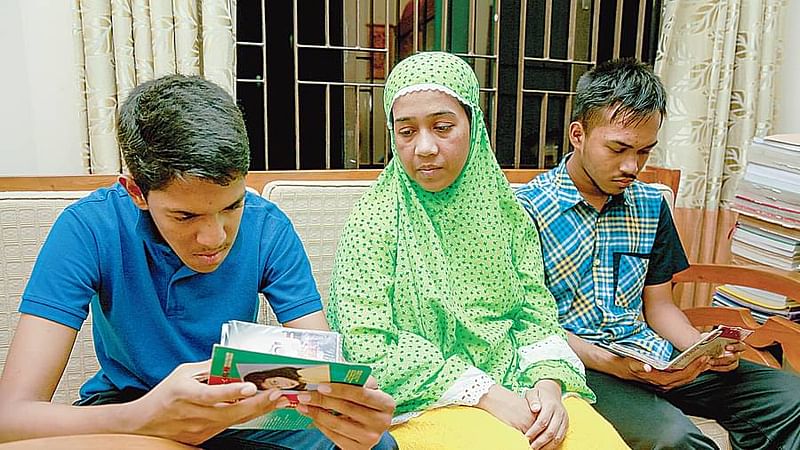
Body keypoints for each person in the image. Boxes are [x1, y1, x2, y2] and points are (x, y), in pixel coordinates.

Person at [0, 75, 397, 450]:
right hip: (130, 407)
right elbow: (11, 418)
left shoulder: (268, 226)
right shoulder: (89, 228)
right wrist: (144, 416)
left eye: (232, 206)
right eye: (185, 217)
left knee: (375, 444)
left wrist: (349, 411)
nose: (215, 238)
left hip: (241, 409)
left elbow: (322, 366)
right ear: (136, 191)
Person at [326, 51, 628, 450]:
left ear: (474, 126)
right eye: (406, 132)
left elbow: (536, 315)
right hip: (422, 399)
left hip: (521, 382)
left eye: (443, 127)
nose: (425, 147)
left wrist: (549, 385)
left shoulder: (507, 215)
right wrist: (485, 393)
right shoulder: (375, 219)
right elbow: (365, 343)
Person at [515, 58, 800, 449]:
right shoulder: (525, 209)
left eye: (645, 151)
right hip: (581, 366)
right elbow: (527, 323)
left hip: (654, 356)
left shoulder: (650, 205)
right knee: (676, 439)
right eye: (618, 149)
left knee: (790, 396)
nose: (632, 166)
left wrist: (701, 350)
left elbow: (660, 306)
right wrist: (613, 363)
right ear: (577, 134)